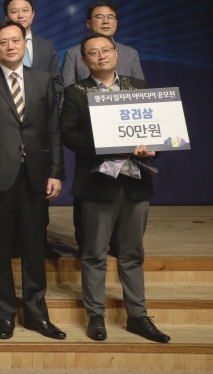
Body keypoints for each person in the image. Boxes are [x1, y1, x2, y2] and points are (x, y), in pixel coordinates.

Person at [59, 33, 170, 344]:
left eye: (106, 50)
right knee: (94, 253)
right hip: (98, 184)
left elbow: (157, 128)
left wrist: (154, 147)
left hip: (135, 183)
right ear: (84, 61)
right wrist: (107, 145)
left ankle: (138, 316)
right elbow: (68, 134)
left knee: (132, 253)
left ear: (116, 54)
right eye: (93, 53)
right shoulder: (76, 92)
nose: (101, 56)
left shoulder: (139, 87)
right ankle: (95, 315)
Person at [0, 20, 66, 341]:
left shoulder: (42, 79)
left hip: (36, 176)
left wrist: (55, 172)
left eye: (16, 40)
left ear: (25, 43)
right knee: (0, 251)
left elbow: (53, 129)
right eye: (3, 42)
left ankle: (37, 315)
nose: (10, 46)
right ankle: (6, 316)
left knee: (34, 249)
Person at [61, 0, 146, 252]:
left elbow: (143, 96)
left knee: (126, 201)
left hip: (128, 144)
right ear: (89, 23)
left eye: (111, 16)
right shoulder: (74, 53)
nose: (106, 21)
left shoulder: (130, 53)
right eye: (99, 17)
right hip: (89, 137)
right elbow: (67, 93)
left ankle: (119, 245)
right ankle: (86, 243)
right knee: (90, 198)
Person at [0, 0, 63, 97]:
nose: (20, 15)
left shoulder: (47, 46)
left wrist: (36, 100)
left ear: (33, 14)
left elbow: (56, 83)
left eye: (25, 10)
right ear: (6, 17)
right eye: (14, 11)